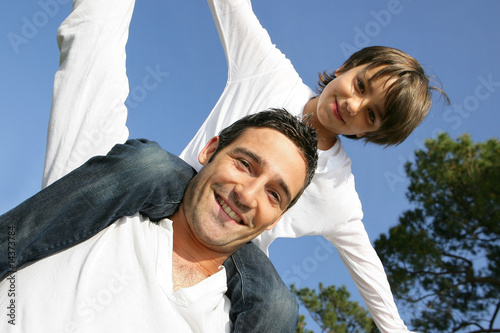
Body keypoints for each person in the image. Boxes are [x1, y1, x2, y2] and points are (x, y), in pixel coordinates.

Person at [1, 0, 449, 332]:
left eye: (369, 114)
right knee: (146, 163)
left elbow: (365, 266)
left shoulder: (339, 192)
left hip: (237, 256)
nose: (352, 105)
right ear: (345, 67)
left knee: (277, 307)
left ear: (368, 133)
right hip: (178, 187)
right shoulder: (269, 73)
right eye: (360, 85)